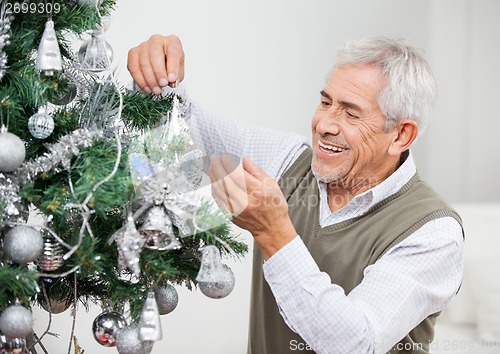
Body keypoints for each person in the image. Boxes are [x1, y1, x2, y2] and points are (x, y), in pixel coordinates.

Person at [127, 34, 464, 353]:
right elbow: (193, 131)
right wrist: (158, 81)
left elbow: (355, 343)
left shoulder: (433, 231)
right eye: (325, 101)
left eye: (350, 112)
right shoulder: (288, 159)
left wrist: (274, 233)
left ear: (401, 136)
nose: (324, 124)